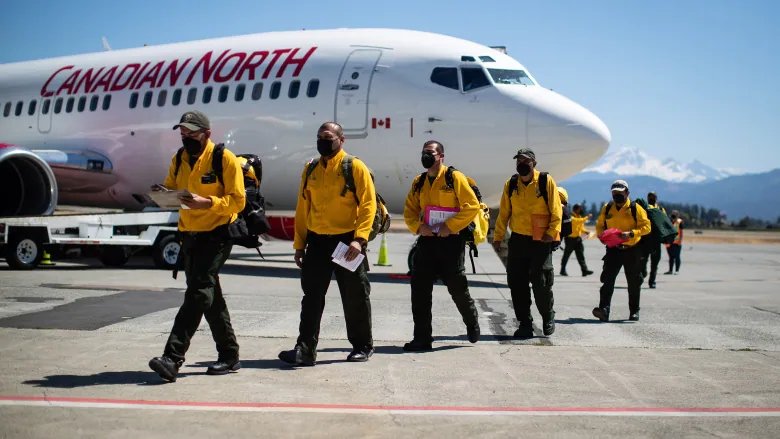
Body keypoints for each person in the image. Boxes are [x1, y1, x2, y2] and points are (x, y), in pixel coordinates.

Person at [148, 110, 245, 382]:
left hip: (217, 234)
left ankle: (172, 357)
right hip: (190, 234)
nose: (187, 137)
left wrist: (208, 203)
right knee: (210, 296)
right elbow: (171, 188)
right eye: (183, 133)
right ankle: (229, 355)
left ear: (207, 134)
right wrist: (162, 193)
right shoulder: (179, 158)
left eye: (192, 133)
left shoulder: (223, 159)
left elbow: (238, 201)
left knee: (198, 293)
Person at [279, 122, 377, 366]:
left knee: (354, 295)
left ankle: (362, 345)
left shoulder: (354, 167)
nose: (323, 140)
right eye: (320, 136)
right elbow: (303, 209)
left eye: (328, 136)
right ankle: (305, 350)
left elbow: (368, 205)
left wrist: (360, 239)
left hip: (346, 241)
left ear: (341, 140)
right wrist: (299, 245)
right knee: (311, 297)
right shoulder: (311, 168)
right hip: (317, 242)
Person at [402, 140, 481, 351]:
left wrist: (450, 225)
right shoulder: (419, 182)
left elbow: (471, 206)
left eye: (430, 153)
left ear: (441, 156)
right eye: (424, 152)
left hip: (451, 242)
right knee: (419, 291)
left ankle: (471, 320)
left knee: (457, 289)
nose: (426, 156)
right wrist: (418, 227)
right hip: (427, 241)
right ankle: (422, 338)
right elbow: (409, 210)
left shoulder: (453, 178)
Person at [493, 148, 562, 338]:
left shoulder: (545, 182)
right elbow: (504, 213)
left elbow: (556, 211)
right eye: (519, 161)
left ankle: (548, 316)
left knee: (541, 283)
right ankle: (525, 324)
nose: (521, 164)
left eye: (526, 161)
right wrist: (498, 237)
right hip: (518, 240)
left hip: (541, 240)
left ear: (534, 164)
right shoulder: (512, 184)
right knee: (517, 283)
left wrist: (551, 233)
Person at [592, 180, 651, 322]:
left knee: (634, 282)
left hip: (632, 249)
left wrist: (631, 233)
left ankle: (634, 311)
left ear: (627, 193)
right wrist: (601, 236)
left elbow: (646, 227)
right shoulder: (607, 208)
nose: (617, 195)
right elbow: (600, 225)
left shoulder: (635, 208)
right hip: (613, 249)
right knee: (607, 280)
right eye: (614, 193)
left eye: (620, 193)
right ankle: (604, 310)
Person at [560, 202, 594, 277]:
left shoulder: (579, 216)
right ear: (576, 209)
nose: (581, 210)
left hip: (578, 239)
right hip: (570, 239)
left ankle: (584, 270)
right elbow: (577, 221)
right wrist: (587, 218)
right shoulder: (570, 216)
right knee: (566, 255)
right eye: (580, 209)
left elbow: (580, 227)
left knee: (580, 255)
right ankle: (562, 270)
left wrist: (585, 231)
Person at [642, 192, 666, 289]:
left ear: (656, 199)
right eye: (650, 197)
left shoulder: (660, 210)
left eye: (654, 197)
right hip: (645, 239)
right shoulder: (643, 208)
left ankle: (652, 281)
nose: (652, 199)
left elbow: (664, 223)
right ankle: (643, 272)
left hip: (656, 240)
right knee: (643, 261)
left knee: (655, 263)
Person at [665, 210, 684, 275]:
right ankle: (670, 270)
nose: (673, 215)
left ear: (677, 215)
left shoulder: (679, 222)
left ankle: (677, 270)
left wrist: (680, 241)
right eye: (673, 214)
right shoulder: (668, 222)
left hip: (677, 243)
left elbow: (681, 232)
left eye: (675, 214)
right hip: (670, 243)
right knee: (671, 257)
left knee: (677, 257)